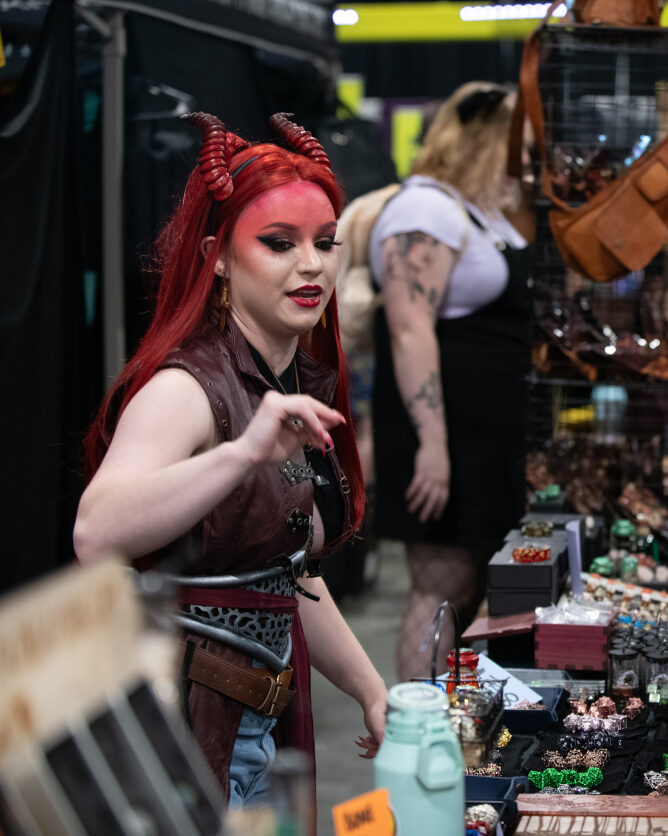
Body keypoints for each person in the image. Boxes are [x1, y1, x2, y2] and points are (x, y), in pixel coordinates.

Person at [74, 112, 388, 806]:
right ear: (217, 254)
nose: (311, 264)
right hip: (181, 735)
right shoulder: (186, 388)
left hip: (250, 722)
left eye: (325, 243)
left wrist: (371, 687)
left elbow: (284, 577)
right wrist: (243, 453)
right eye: (279, 244)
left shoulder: (284, 380)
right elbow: (95, 532)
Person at [369, 82, 530, 681]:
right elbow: (409, 330)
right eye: (515, 149)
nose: (524, 165)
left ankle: (449, 724)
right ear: (482, 144)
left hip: (482, 439)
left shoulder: (475, 212)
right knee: (442, 588)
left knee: (467, 588)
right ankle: (415, 730)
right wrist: (432, 445)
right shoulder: (424, 210)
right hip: (445, 434)